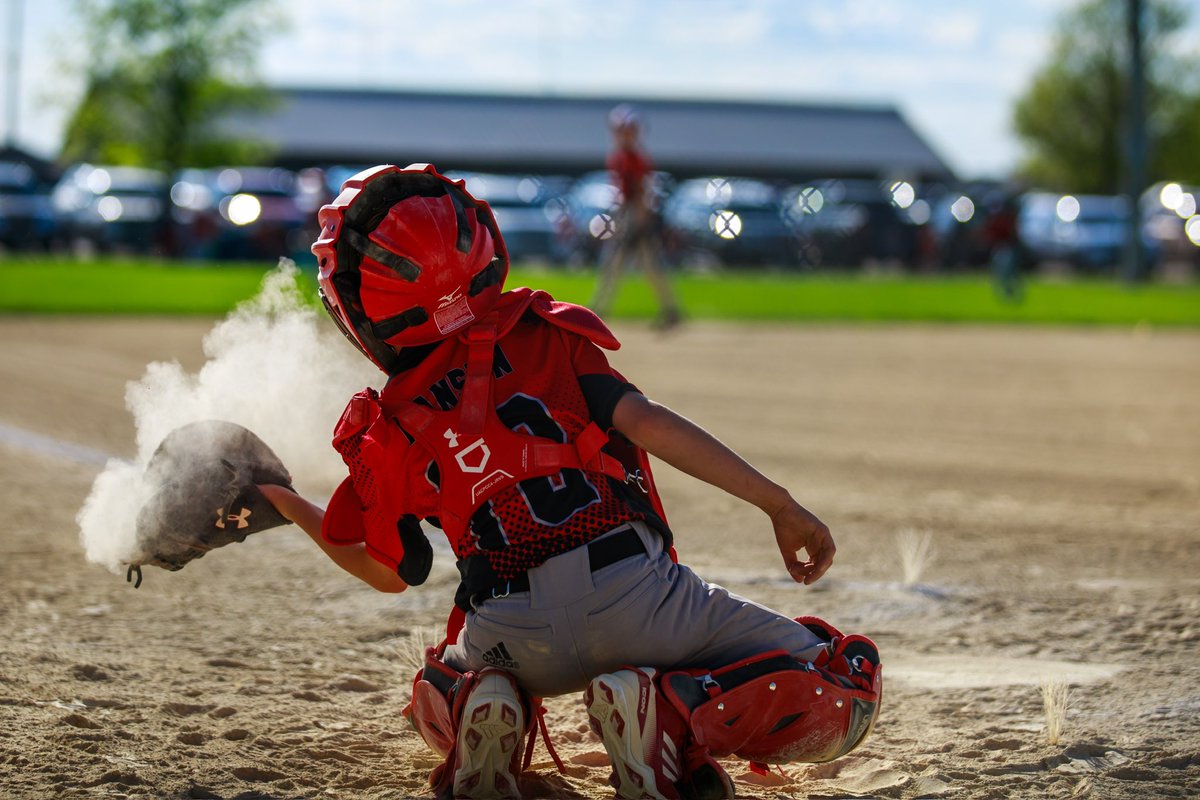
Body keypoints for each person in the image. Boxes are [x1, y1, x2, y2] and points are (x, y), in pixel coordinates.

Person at [258, 163, 881, 800]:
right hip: (640, 601)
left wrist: (283, 500)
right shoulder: (544, 333)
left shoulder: (387, 424)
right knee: (845, 678)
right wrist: (777, 504)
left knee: (437, 685)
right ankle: (668, 711)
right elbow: (650, 425)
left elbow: (389, 572)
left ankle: (484, 699)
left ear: (357, 305)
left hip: (508, 632)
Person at [590, 104, 683, 329]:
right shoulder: (621, 155)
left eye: (627, 129)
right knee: (637, 264)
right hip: (627, 213)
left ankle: (597, 311)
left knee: (619, 263)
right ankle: (670, 309)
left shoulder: (632, 157)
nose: (623, 133)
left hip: (633, 214)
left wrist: (638, 221)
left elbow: (640, 190)